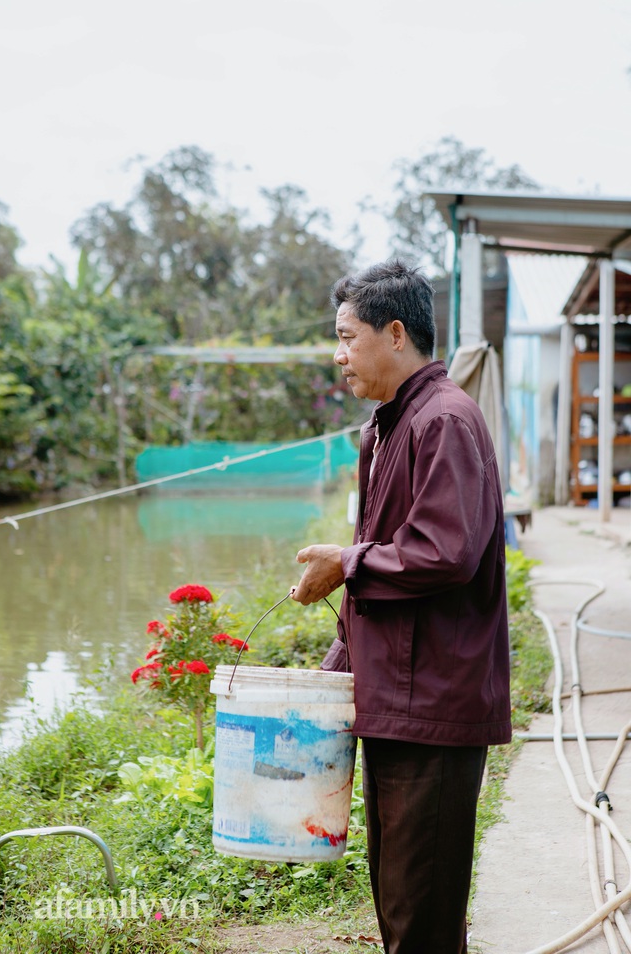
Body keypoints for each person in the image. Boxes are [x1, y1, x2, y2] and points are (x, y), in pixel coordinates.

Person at [290, 258, 511, 954]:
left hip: (433, 707)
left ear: (394, 333)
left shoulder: (444, 421)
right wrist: (337, 668)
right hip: (391, 700)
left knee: (422, 914)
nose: (339, 354)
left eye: (346, 336)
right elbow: (380, 551)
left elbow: (444, 552)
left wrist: (345, 563)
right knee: (398, 900)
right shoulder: (384, 429)